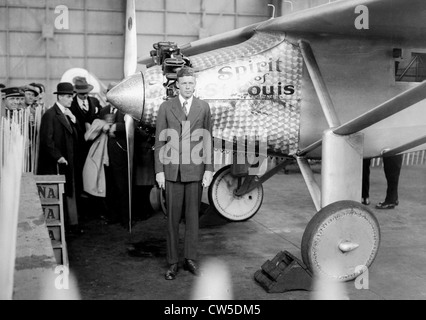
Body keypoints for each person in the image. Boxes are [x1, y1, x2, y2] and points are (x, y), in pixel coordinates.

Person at [154, 67, 214, 281]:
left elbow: (207, 140)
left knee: (192, 219)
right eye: (184, 83)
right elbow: (160, 141)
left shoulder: (203, 107)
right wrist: (159, 171)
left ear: (195, 84)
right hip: (172, 172)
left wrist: (208, 169)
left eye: (191, 83)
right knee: (172, 219)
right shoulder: (166, 107)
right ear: (177, 84)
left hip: (195, 171)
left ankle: (190, 258)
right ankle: (172, 262)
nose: (188, 87)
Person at [37, 82, 83, 234]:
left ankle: (72, 225)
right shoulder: (50, 115)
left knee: (71, 192)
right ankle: (65, 227)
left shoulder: (67, 114)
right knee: (63, 194)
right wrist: (58, 157)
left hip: (69, 161)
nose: (71, 100)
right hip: (58, 163)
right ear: (61, 97)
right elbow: (46, 141)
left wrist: (74, 121)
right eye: (69, 97)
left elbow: (77, 136)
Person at [98, 82, 130, 228]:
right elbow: (96, 125)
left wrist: (116, 127)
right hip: (105, 155)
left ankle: (125, 218)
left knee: (122, 186)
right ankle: (113, 216)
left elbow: (132, 126)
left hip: (120, 154)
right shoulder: (103, 110)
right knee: (110, 186)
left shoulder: (126, 110)